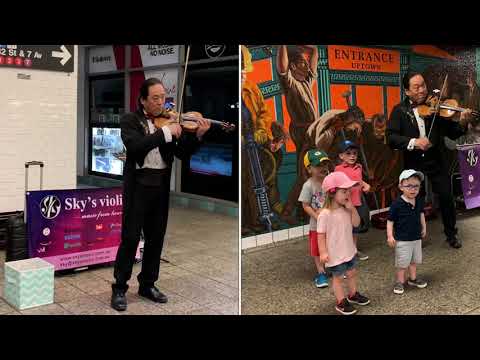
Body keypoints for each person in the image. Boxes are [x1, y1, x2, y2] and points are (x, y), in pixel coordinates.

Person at [111, 78, 211, 311]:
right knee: (130, 238)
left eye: (163, 97)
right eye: (155, 98)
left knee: (156, 238)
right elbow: (136, 148)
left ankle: (147, 284)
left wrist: (197, 137)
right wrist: (165, 133)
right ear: (143, 99)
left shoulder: (170, 121)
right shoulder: (130, 120)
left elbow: (182, 154)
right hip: (138, 188)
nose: (161, 102)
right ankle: (119, 287)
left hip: (160, 186)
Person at [386, 71, 471, 249]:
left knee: (447, 197)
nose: (422, 90)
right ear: (407, 91)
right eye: (416, 87)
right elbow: (391, 138)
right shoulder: (399, 111)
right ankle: (416, 234)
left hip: (436, 160)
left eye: (423, 85)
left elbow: (453, 132)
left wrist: (462, 123)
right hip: (414, 163)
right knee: (416, 200)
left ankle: (451, 234)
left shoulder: (436, 107)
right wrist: (414, 142)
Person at [317, 171, 370, 315]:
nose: (348, 194)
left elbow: (356, 224)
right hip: (335, 254)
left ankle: (353, 294)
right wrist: (323, 252)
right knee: (338, 278)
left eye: (348, 191)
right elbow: (320, 235)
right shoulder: (325, 214)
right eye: (344, 191)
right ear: (332, 192)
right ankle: (341, 302)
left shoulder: (347, 209)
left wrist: (352, 209)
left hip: (349, 250)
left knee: (352, 273)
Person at [276, 45, 319, 222]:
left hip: (312, 131)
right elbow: (282, 68)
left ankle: (301, 211)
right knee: (304, 174)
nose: (307, 66)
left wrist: (312, 48)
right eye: (302, 62)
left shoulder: (307, 81)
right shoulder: (290, 83)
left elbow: (315, 59)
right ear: (293, 66)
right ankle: (287, 211)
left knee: (308, 173)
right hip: (303, 132)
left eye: (306, 62)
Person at [387, 169, 428, 295]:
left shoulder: (419, 200)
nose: (413, 189)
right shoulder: (397, 204)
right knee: (402, 263)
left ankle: (413, 279)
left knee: (414, 261)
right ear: (401, 186)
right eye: (409, 186)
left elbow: (421, 214)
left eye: (416, 186)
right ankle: (400, 281)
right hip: (403, 240)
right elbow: (390, 221)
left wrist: (424, 227)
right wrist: (390, 235)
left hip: (416, 238)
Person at [298, 149, 331, 288]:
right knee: (318, 250)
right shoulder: (308, 185)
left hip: (332, 223)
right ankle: (321, 272)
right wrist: (317, 216)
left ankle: (335, 268)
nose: (323, 168)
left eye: (325, 164)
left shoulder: (330, 180)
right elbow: (305, 205)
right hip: (316, 226)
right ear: (309, 169)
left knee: (332, 245)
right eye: (318, 165)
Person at [335, 140, 371, 261]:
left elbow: (359, 180)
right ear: (341, 156)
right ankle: (345, 252)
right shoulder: (338, 169)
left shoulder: (358, 167)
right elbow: (337, 185)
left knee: (355, 228)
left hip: (357, 202)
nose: (352, 156)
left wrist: (365, 185)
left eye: (354, 153)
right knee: (346, 229)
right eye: (348, 153)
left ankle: (354, 250)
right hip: (346, 204)